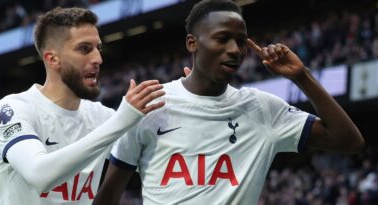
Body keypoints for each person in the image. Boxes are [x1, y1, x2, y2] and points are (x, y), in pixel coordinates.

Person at [92, 0, 365, 204]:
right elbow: (108, 197)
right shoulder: (149, 105)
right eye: (222, 39)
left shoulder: (263, 109)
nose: (235, 50)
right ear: (192, 43)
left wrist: (302, 77)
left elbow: (349, 141)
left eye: (241, 41)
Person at [0, 7, 166, 205]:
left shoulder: (102, 116)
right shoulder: (13, 109)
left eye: (98, 47)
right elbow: (40, 174)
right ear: (53, 59)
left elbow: (163, 163)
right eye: (84, 49)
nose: (98, 58)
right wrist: (121, 121)